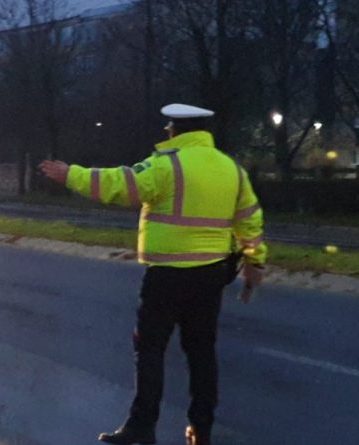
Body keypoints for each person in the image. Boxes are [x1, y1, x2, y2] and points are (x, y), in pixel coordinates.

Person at [40, 103, 266, 445]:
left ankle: (142, 427)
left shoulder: (167, 165)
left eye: (169, 127)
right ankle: (201, 429)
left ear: (177, 130)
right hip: (211, 275)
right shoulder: (231, 169)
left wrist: (71, 174)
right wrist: (255, 263)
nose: (166, 131)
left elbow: (120, 184)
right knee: (202, 352)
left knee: (149, 349)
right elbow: (250, 222)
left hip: (167, 276)